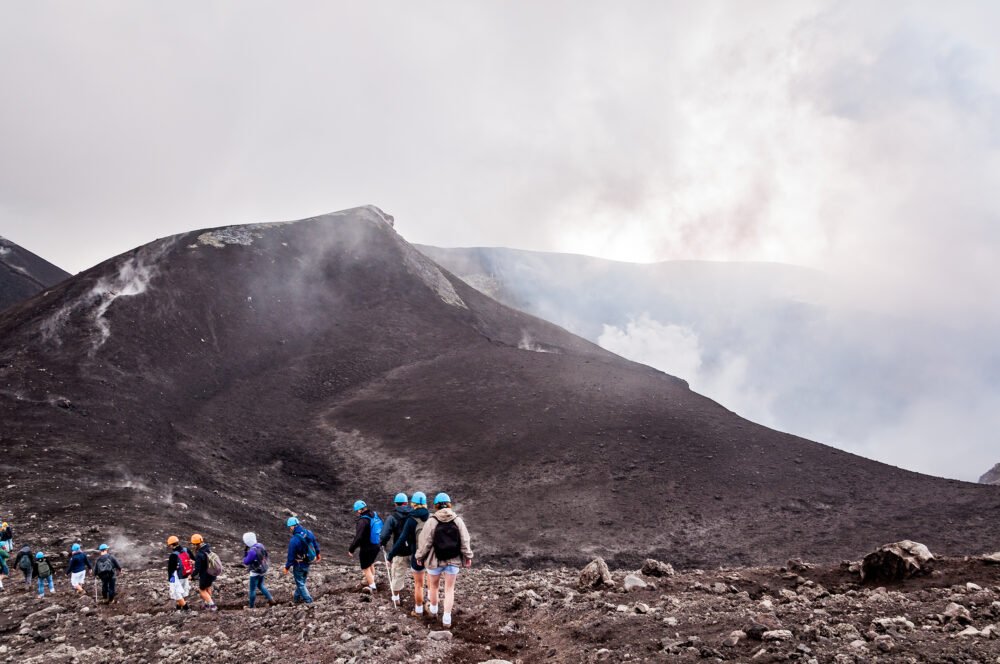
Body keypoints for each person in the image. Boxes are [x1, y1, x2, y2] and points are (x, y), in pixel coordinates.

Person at [415, 492, 473, 628]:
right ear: (449, 504)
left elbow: (425, 542)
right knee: (449, 589)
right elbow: (465, 540)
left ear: (436, 505)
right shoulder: (458, 520)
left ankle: (434, 612)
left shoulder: (432, 521)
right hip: (453, 560)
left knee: (433, 586)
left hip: (434, 561)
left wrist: (419, 557)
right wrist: (468, 556)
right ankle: (447, 619)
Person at [387, 491, 430, 617]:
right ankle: (433, 609)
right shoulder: (431, 517)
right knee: (431, 583)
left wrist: (391, 555)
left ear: (413, 504)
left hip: (417, 555)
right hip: (430, 555)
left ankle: (418, 611)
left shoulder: (411, 519)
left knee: (418, 585)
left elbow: (402, 539)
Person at [380, 492, 413, 605]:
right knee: (419, 575)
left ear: (395, 504)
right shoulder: (413, 514)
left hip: (400, 550)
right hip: (414, 549)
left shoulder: (392, 517)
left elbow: (385, 534)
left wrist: (382, 543)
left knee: (398, 574)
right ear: (406, 503)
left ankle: (396, 598)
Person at [284, 516, 320, 605]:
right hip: (308, 562)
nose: (289, 529)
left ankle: (309, 601)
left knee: (300, 583)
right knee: (301, 582)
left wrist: (287, 567)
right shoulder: (308, 533)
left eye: (289, 527)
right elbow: (315, 544)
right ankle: (296, 599)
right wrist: (318, 554)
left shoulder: (294, 540)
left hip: (299, 565)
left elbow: (291, 556)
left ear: (292, 527)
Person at [348, 500, 381, 592]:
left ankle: (372, 587)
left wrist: (351, 549)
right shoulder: (374, 515)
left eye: (356, 511)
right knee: (370, 564)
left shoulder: (363, 521)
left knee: (365, 567)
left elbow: (358, 537)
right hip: (376, 545)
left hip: (367, 548)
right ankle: (370, 580)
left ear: (359, 510)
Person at [242, 532, 275, 608]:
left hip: (255, 572)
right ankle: (271, 599)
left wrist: (245, 552)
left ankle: (251, 606)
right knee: (260, 585)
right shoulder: (260, 545)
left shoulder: (252, 551)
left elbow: (246, 562)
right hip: (263, 569)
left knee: (252, 590)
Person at [191, 534, 218, 611]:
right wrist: (196, 562)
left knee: (202, 590)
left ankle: (212, 606)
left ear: (195, 544)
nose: (192, 546)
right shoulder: (208, 548)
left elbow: (197, 570)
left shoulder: (199, 554)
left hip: (205, 575)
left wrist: (191, 576)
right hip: (212, 573)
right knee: (208, 587)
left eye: (193, 544)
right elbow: (205, 561)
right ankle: (206, 605)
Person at [166, 535, 193, 611]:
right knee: (183, 591)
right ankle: (178, 608)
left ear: (171, 545)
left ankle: (186, 609)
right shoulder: (186, 550)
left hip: (177, 576)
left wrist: (170, 580)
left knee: (176, 592)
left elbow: (171, 569)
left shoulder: (173, 555)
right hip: (186, 574)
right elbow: (193, 559)